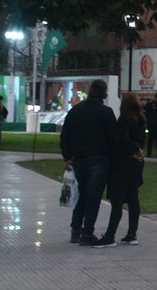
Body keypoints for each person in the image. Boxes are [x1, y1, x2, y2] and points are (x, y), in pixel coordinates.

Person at [60, 79, 119, 246]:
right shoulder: (106, 112)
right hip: (98, 159)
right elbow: (114, 138)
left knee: (81, 195)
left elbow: (65, 135)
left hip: (78, 159)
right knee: (93, 197)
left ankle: (76, 230)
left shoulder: (75, 111)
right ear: (104, 93)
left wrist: (67, 156)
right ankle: (87, 233)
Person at [98, 93, 146, 245]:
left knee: (117, 200)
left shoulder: (123, 121)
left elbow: (123, 140)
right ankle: (132, 234)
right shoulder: (141, 120)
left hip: (122, 163)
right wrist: (138, 150)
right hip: (136, 163)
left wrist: (134, 149)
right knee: (133, 198)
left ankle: (110, 235)